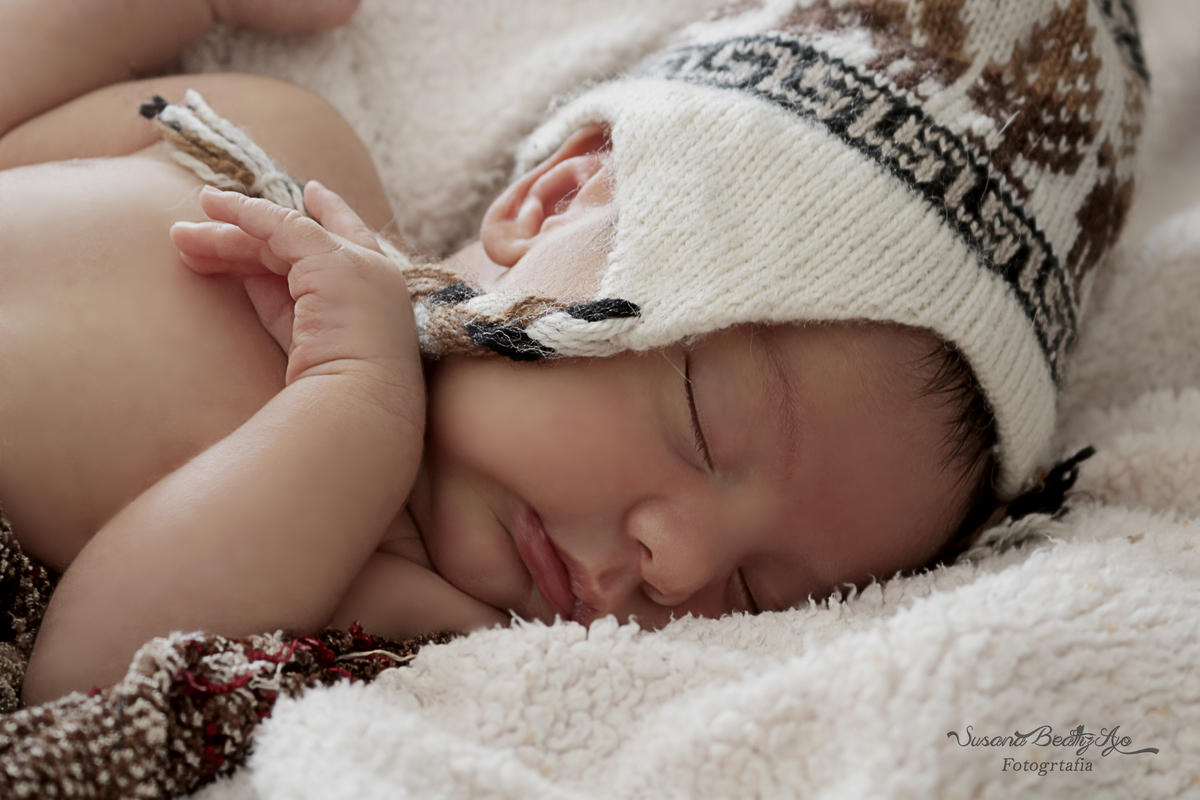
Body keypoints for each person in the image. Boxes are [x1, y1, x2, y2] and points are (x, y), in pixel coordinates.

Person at [2, 0, 1145, 708]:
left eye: (758, 590)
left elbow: (84, 678)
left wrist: (358, 409)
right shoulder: (286, 155)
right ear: (554, 199)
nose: (677, 564)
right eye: (703, 426)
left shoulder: (399, 608)